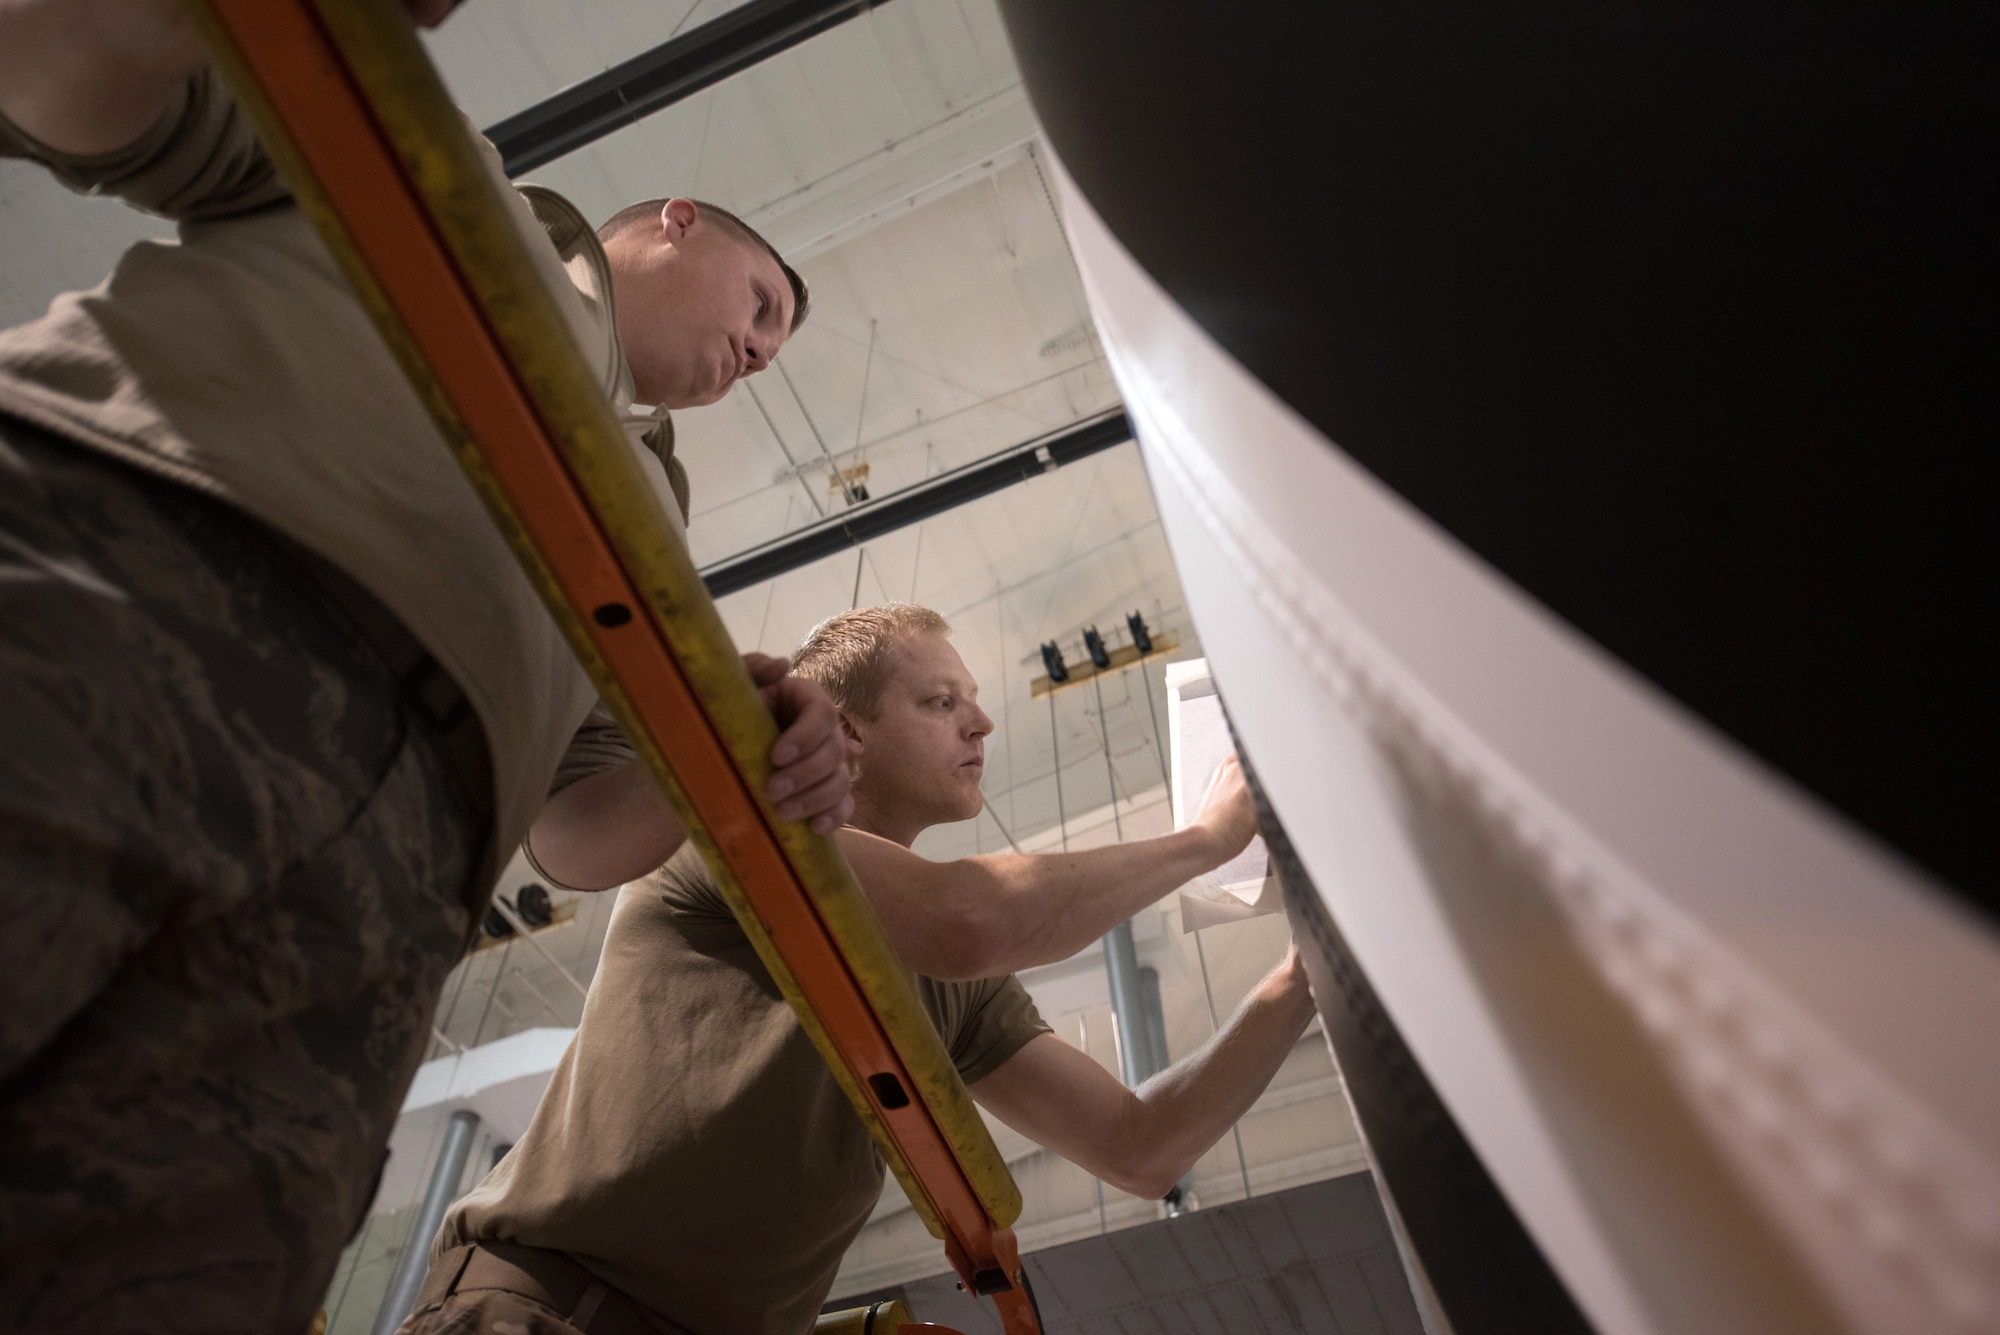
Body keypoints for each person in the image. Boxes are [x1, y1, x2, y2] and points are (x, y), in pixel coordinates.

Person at [0, 3, 852, 1331]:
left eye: (773, 351)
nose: (757, 351)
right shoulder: (446, 185)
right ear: (673, 220)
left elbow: (572, 832)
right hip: (117, 590)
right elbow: (60, 61)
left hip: (374, 907)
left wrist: (726, 746)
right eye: (763, 305)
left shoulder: (653, 544)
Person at [415, 604, 1317, 1335]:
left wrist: (1304, 971)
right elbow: (974, 917)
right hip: (542, 1312)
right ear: (843, 726)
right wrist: (1208, 840)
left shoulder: (952, 983)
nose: (982, 718)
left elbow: (1140, 1145)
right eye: (939, 701)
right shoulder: (726, 828)